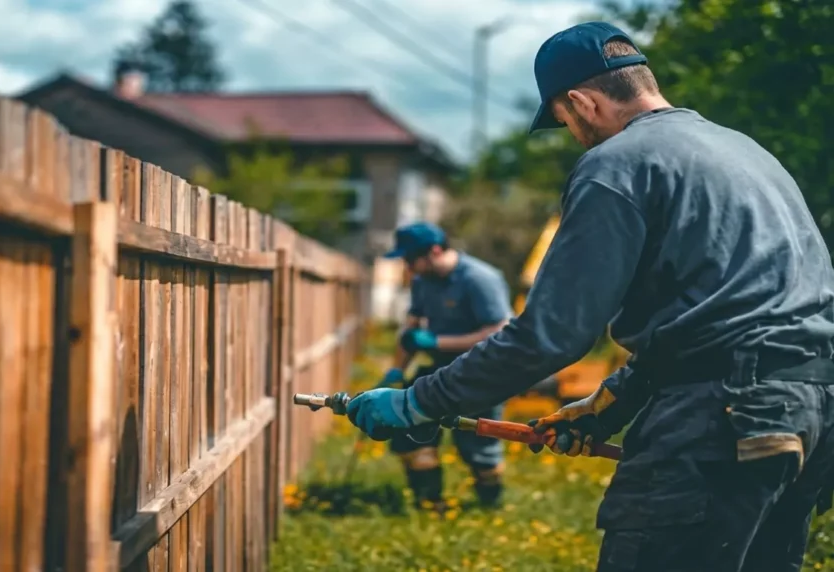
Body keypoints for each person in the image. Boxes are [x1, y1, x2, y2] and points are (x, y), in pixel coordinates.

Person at [345, 20, 834, 572]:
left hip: (722, 416)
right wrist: (607, 407)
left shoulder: (617, 165)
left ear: (583, 102)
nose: (577, 137)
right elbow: (736, 313)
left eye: (566, 122)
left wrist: (419, 402)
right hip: (809, 412)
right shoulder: (744, 153)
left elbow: (550, 335)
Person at [378, 221, 514, 511]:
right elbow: (411, 329)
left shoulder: (480, 279)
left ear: (435, 251)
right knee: (410, 427)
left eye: (410, 259)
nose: (408, 267)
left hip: (484, 372)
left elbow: (499, 332)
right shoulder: (422, 282)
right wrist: (396, 372)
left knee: (476, 447)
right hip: (443, 367)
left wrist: (436, 342)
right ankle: (430, 504)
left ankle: (490, 505)